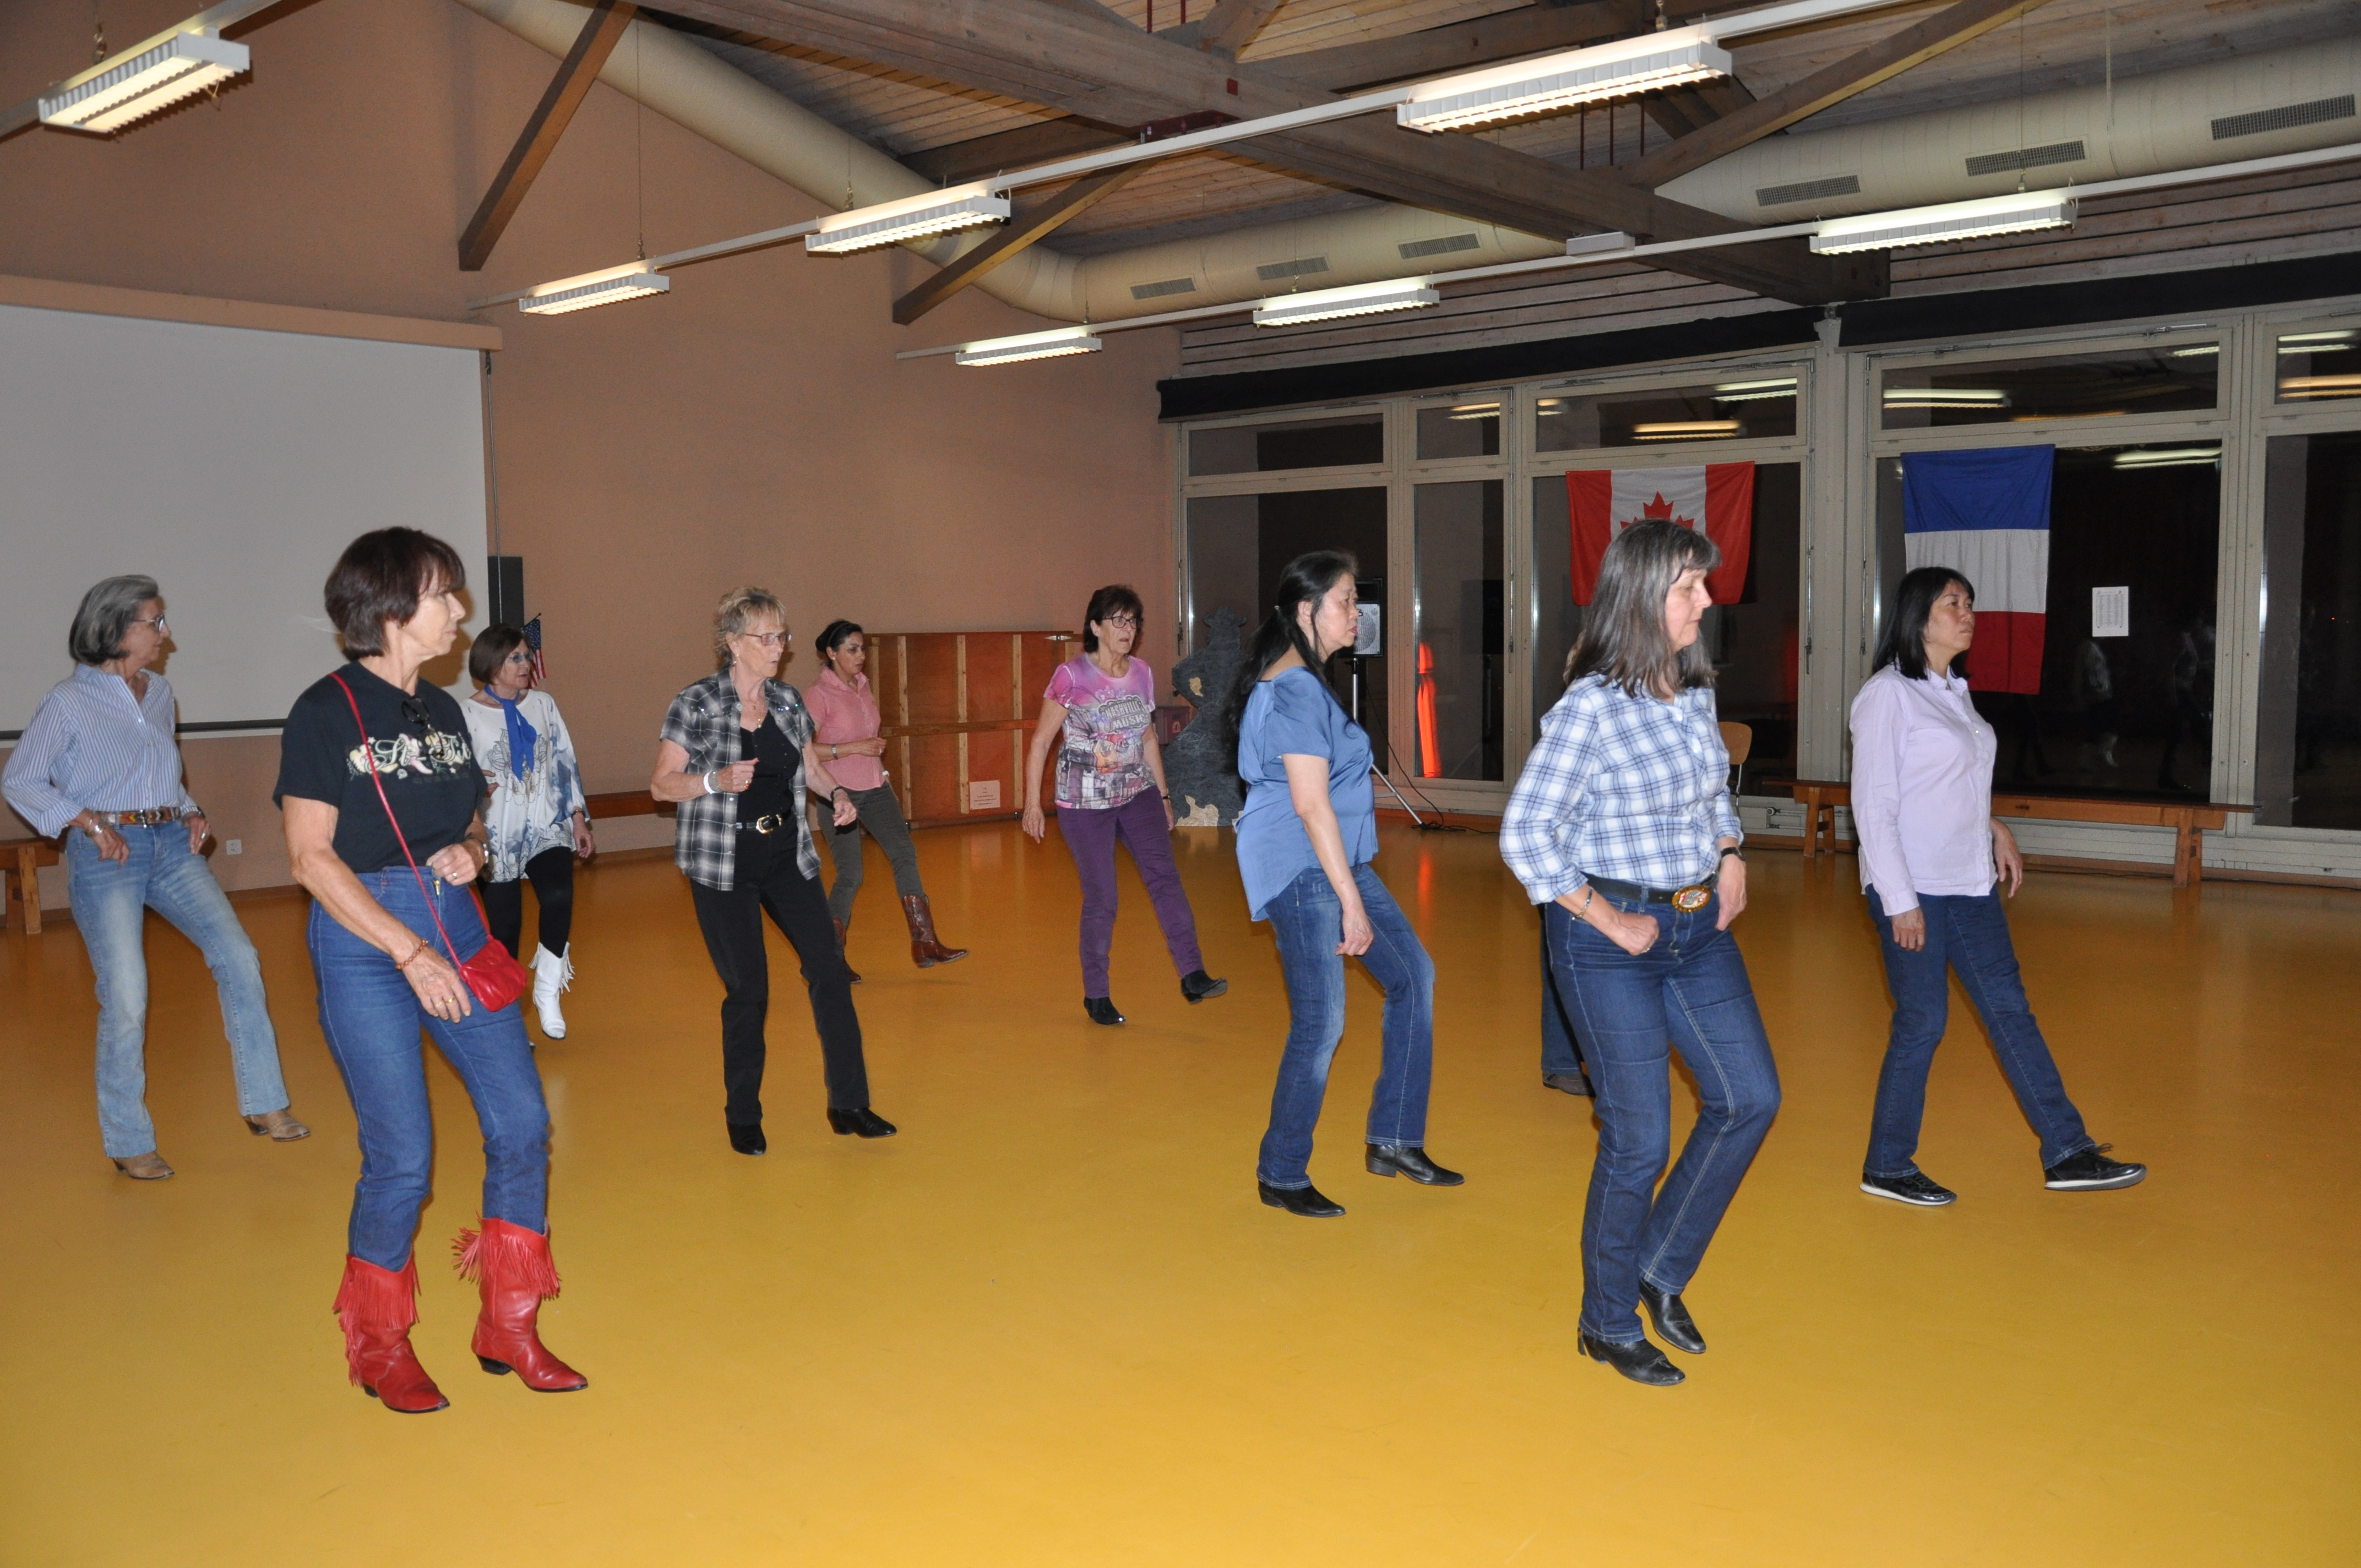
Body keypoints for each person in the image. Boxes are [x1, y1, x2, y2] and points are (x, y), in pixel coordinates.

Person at [279, 528, 584, 1414]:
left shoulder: (445, 711)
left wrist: (473, 849)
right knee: (403, 1159)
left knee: (522, 1124)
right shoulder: (325, 711)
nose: (460, 610)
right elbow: (309, 857)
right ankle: (379, 1346)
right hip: (367, 942)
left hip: (455, 925)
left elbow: (473, 819)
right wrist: (407, 951)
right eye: (444, 594)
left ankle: (509, 1327)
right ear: (391, 606)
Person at [1500, 520, 1775, 1389]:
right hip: (1607, 941)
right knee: (1640, 1137)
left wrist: (1730, 852)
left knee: (1749, 1098)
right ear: (1644, 596)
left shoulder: (1692, 692)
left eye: (1704, 584)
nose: (1706, 600)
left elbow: (1712, 795)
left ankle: (1658, 1266)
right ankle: (1607, 1321)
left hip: (1696, 928)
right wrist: (1607, 919)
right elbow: (1525, 833)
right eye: (1690, 586)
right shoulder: (1591, 708)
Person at [1851, 567, 2147, 1208]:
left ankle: (2067, 1151)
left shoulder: (1952, 691)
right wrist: (1899, 901)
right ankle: (1887, 1165)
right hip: (1914, 887)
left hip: (1968, 882)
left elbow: (1945, 782)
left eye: (1969, 603)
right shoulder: (1887, 695)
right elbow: (1874, 806)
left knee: (2010, 1012)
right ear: (1917, 617)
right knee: (1922, 1022)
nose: (1968, 613)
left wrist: (1992, 825)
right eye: (1952, 603)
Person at [4, 575, 308, 1179]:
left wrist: (190, 810)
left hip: (171, 844)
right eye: (155, 621)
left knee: (239, 957)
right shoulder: (68, 701)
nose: (166, 633)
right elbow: (21, 779)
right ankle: (128, 1139)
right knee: (127, 994)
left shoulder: (160, 692)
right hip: (108, 854)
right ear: (116, 628)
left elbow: (162, 771)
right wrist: (88, 822)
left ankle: (264, 1102)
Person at [1232, 552, 1459, 1218]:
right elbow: (1310, 804)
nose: (1356, 613)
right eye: (1345, 600)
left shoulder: (1302, 680)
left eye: (1355, 600)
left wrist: (1351, 888)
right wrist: (1350, 903)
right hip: (1301, 866)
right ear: (1306, 611)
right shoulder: (1296, 688)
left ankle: (1394, 1138)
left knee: (1413, 976)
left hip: (1331, 863)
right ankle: (1280, 1172)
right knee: (1322, 1020)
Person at [652, 587, 894, 1153]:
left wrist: (837, 795)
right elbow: (662, 784)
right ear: (733, 643)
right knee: (750, 991)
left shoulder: (786, 701)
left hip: (786, 855)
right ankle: (743, 1114)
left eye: (782, 635)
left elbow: (810, 768)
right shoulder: (696, 703)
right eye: (766, 637)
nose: (779, 646)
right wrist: (713, 781)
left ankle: (849, 1104)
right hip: (723, 863)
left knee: (830, 971)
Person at [1021, 585, 1225, 1025]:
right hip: (1085, 803)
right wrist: (1032, 804)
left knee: (1165, 878)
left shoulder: (1142, 673)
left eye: (1133, 621)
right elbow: (1040, 742)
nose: (1127, 629)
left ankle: (1192, 973)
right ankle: (1096, 994)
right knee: (1103, 896)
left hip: (1137, 792)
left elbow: (1148, 739)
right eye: (1118, 620)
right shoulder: (1072, 676)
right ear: (1096, 627)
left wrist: (1164, 796)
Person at [804, 619, 966, 976]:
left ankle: (925, 943)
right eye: (852, 649)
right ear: (832, 653)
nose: (861, 655)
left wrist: (882, 773)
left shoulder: (863, 686)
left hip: (876, 787)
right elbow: (805, 751)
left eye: (862, 648)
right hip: (837, 794)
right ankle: (829, 959)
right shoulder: (818, 694)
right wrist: (853, 748)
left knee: (905, 854)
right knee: (851, 874)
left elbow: (871, 741)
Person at [460, 624, 592, 1039]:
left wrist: (577, 817)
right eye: (515, 657)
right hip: (496, 832)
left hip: (545, 823)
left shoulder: (544, 705)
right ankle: (508, 1023)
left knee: (559, 895)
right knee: (505, 931)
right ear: (491, 664)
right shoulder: (466, 714)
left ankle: (548, 990)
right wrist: (473, 786)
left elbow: (564, 761)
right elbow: (455, 774)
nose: (526, 664)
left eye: (527, 656)